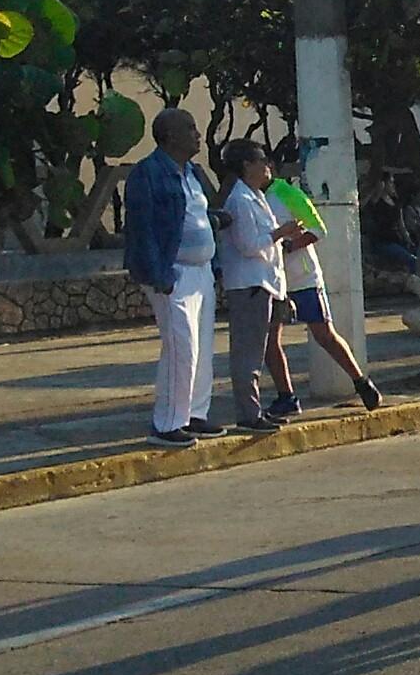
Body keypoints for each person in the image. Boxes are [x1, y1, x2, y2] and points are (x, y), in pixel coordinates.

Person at [126, 110, 228, 447]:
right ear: (168, 136)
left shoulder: (193, 173)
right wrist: (158, 274)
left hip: (201, 271)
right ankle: (167, 423)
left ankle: (194, 414)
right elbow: (143, 229)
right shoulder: (149, 173)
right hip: (173, 273)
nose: (197, 134)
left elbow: (192, 215)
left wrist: (215, 221)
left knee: (202, 349)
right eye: (190, 128)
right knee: (181, 349)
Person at [264, 141, 382, 413]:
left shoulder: (286, 192)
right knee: (270, 339)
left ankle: (361, 381)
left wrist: (291, 245)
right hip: (273, 279)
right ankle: (287, 396)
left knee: (324, 334)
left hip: (303, 278)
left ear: (271, 167)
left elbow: (319, 229)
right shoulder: (250, 197)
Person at [218, 139, 301, 434]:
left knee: (257, 350)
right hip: (249, 285)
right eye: (261, 160)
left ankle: (254, 410)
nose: (267, 166)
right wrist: (281, 232)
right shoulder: (240, 200)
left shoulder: (256, 195)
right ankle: (248, 414)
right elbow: (248, 245)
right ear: (246, 166)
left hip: (264, 283)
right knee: (248, 354)